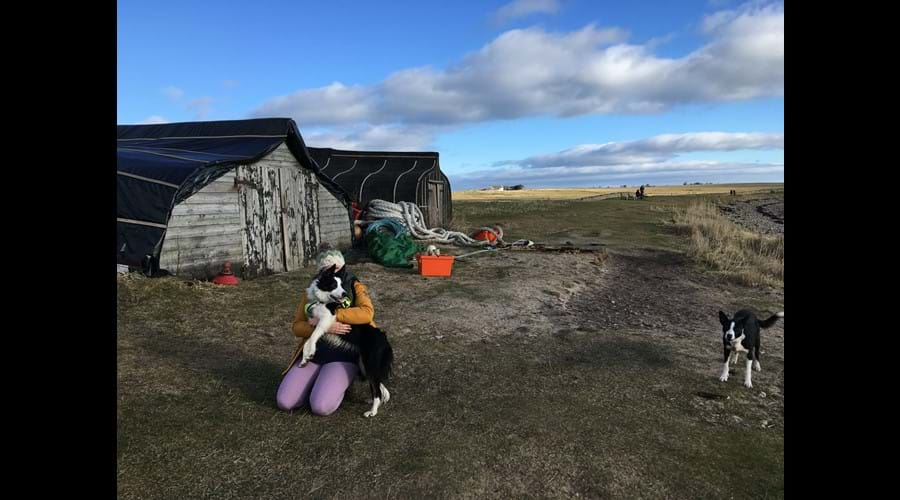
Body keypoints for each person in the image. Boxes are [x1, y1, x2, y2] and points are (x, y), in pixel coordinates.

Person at [276, 249, 376, 416]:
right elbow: (297, 326)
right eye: (328, 270)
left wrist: (332, 317)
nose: (335, 273)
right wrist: (321, 328)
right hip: (315, 354)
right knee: (285, 402)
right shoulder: (313, 290)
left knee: (320, 406)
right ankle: (314, 383)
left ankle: (341, 382)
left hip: (344, 354)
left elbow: (367, 313)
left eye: (338, 269)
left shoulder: (354, 285)